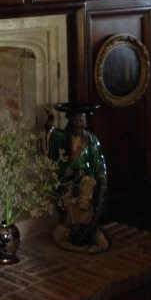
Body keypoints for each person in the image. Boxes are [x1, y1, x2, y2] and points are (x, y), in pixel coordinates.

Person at [46, 107, 109, 253]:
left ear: (86, 122)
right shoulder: (63, 137)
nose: (78, 124)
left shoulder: (92, 140)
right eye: (75, 120)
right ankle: (72, 225)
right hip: (68, 176)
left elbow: (100, 164)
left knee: (86, 187)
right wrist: (49, 123)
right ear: (70, 121)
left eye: (81, 120)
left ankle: (85, 224)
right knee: (67, 194)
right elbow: (51, 134)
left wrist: (102, 182)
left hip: (86, 176)